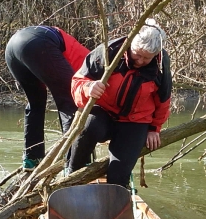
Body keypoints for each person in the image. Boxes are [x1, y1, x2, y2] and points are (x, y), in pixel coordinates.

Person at [67, 19, 172, 188]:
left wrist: (154, 128)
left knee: (118, 177)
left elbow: (164, 101)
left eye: (146, 58)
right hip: (103, 112)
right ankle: (73, 173)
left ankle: (115, 204)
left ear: (156, 54)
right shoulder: (108, 52)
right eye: (137, 54)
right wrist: (88, 88)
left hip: (135, 121)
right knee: (88, 126)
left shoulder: (161, 66)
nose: (139, 61)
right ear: (131, 44)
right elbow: (77, 82)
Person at [5, 25, 90, 171]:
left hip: (13, 46)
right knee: (70, 102)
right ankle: (74, 162)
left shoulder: (81, 53)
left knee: (36, 103)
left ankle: (32, 158)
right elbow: (81, 98)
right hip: (38, 43)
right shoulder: (92, 63)